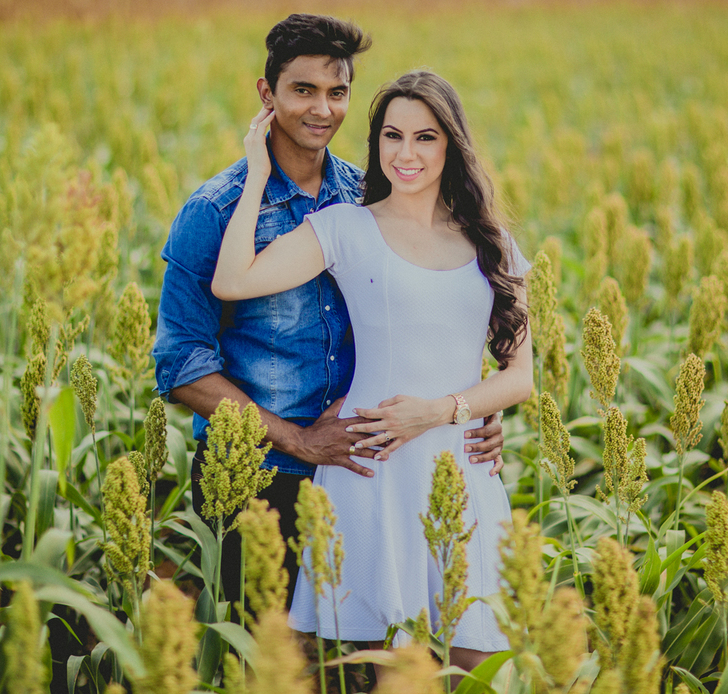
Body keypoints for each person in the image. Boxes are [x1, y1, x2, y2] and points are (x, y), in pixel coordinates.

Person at [151, 14, 506, 612]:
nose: (322, 109)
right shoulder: (215, 212)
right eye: (303, 90)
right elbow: (180, 365)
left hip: (363, 469)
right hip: (255, 476)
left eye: (336, 92)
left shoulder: (367, 199)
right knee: (267, 662)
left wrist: (465, 412)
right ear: (267, 94)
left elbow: (421, 315)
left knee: (352, 660)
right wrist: (299, 440)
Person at [212, 69, 533, 671]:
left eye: (425, 137)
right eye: (392, 136)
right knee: (359, 663)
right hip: (372, 467)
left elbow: (520, 378)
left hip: (464, 465)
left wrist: (443, 412)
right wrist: (256, 171)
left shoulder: (493, 243)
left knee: (475, 660)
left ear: (452, 145)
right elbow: (233, 280)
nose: (406, 154)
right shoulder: (345, 229)